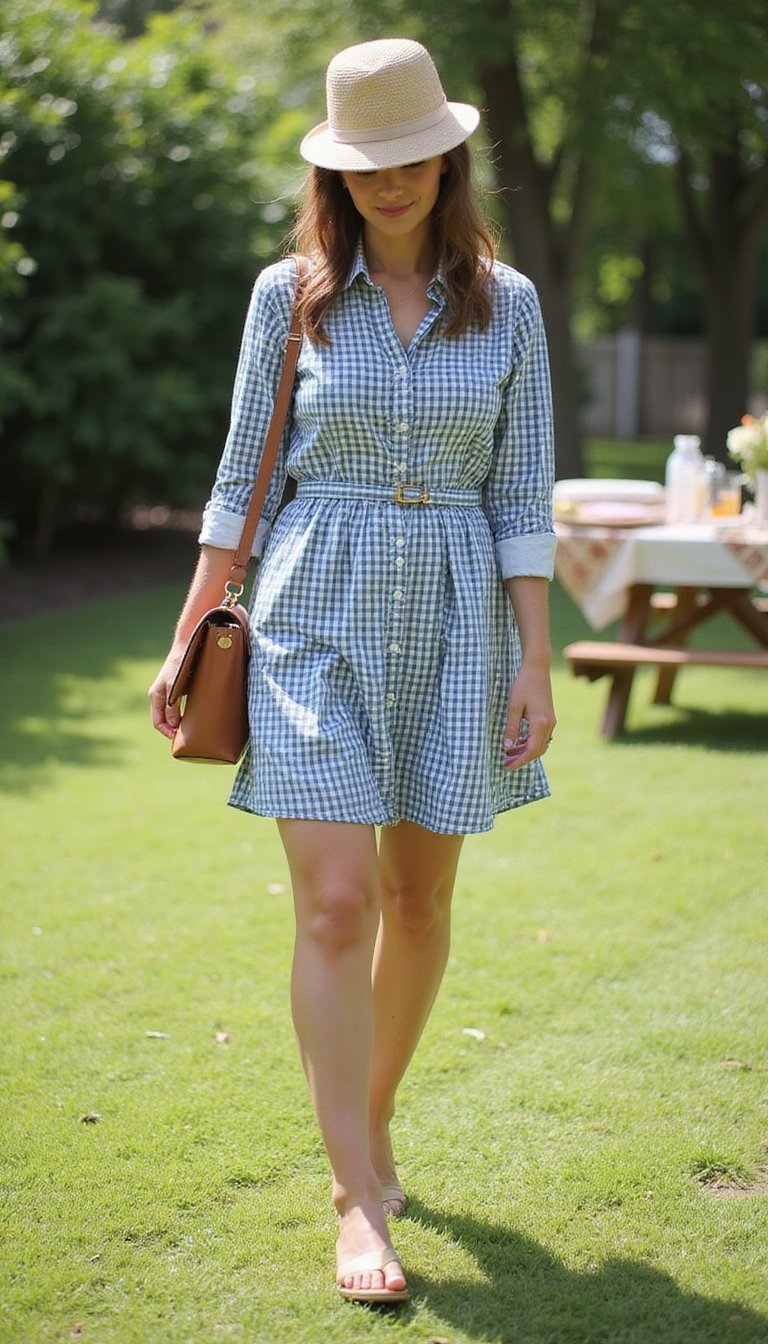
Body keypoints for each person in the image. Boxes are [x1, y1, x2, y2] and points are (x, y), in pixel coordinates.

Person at [149, 37, 556, 1305]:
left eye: (409, 160)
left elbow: (521, 489)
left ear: (446, 158)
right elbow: (240, 478)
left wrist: (535, 657)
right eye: (363, 164)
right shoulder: (292, 294)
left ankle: (369, 1124)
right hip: (312, 604)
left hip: (452, 618)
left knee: (419, 898)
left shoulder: (512, 303)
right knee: (335, 904)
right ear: (337, 170)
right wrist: (191, 621)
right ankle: (353, 1199)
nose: (389, 184)